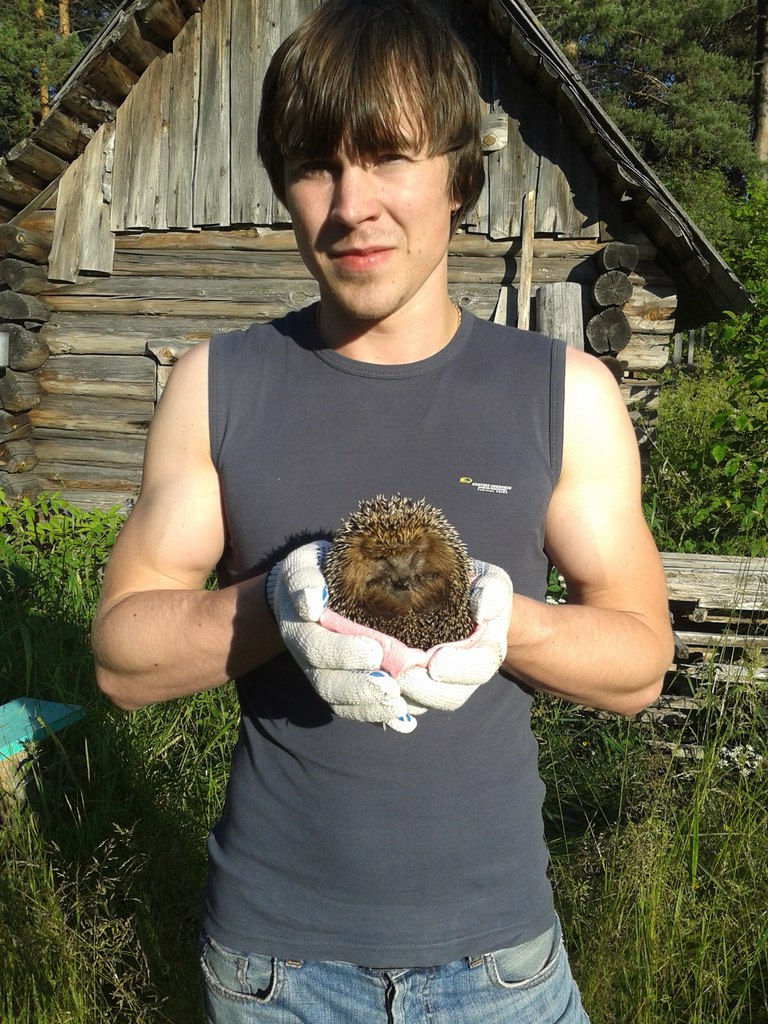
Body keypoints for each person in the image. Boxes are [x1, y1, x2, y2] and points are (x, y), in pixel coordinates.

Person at [91, 1, 674, 1021]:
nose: (352, 205)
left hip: (501, 966)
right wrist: (283, 602)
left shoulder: (567, 394)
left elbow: (639, 665)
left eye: (390, 157)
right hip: (274, 972)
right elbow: (121, 661)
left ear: (459, 177)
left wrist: (502, 622)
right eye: (315, 165)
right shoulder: (214, 385)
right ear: (282, 185)